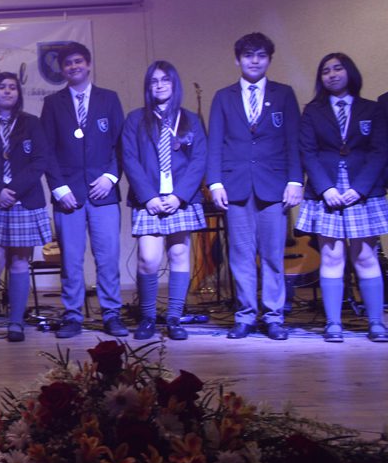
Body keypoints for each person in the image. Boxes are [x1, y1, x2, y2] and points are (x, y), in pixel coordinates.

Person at [207, 33, 302, 340]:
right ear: (238, 60)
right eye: (248, 55)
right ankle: (245, 316)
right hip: (235, 186)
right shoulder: (223, 96)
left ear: (269, 59)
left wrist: (295, 180)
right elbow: (214, 143)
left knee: (273, 255)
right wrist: (215, 182)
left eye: (261, 55)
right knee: (241, 256)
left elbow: (293, 141)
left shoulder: (284, 94)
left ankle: (274, 316)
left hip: (273, 185)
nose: (255, 61)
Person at [296, 53, 388, 342]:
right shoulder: (312, 111)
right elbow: (307, 152)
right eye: (326, 71)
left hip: (363, 190)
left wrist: (359, 188)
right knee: (332, 255)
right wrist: (326, 189)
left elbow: (380, 151)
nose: (332, 74)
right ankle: (333, 324)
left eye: (338, 68)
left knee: (365, 255)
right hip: (327, 191)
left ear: (350, 72)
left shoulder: (372, 109)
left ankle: (376, 323)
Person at [40, 42, 126, 339]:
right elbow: (47, 150)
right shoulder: (53, 103)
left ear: (88, 64)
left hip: (104, 193)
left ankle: (112, 314)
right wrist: (59, 188)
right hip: (69, 195)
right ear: (62, 69)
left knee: (108, 258)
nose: (73, 66)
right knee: (71, 260)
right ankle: (73, 315)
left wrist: (110, 177)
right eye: (68, 63)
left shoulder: (109, 99)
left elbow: (121, 144)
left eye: (78, 61)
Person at [121, 62, 207, 341]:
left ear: (174, 84)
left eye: (165, 80)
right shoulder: (135, 119)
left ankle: (174, 318)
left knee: (179, 254)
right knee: (148, 259)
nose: (159, 85)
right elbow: (129, 159)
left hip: (180, 198)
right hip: (149, 200)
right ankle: (147, 318)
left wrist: (179, 196)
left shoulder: (190, 119)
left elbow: (199, 160)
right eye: (154, 81)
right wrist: (148, 197)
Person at [0, 72, 51, 343]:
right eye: (2, 87)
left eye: (12, 87)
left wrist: (12, 191)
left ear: (18, 93)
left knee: (19, 263)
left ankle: (16, 323)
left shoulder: (32, 123)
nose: (7, 91)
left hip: (23, 200)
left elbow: (40, 161)